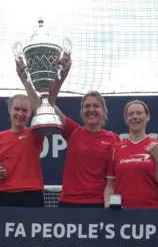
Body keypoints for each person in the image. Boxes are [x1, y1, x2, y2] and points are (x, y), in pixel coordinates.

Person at [17, 55, 120, 208]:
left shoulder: (113, 139)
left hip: (98, 205)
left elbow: (115, 180)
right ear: (82, 110)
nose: (91, 109)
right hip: (68, 204)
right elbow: (45, 106)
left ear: (103, 111)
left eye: (95, 106)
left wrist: (111, 205)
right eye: (87, 106)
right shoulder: (73, 131)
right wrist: (60, 76)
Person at [104, 100, 158, 208]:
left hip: (150, 211)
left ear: (147, 117)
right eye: (131, 114)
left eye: (139, 113)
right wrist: (107, 203)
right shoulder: (116, 148)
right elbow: (110, 185)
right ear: (126, 119)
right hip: (121, 213)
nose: (135, 117)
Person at [0, 92, 46, 207]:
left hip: (32, 193)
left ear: (30, 113)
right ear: (10, 110)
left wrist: (25, 81)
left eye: (24, 110)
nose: (20, 113)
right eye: (17, 109)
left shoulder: (36, 133)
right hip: (4, 194)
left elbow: (40, 108)